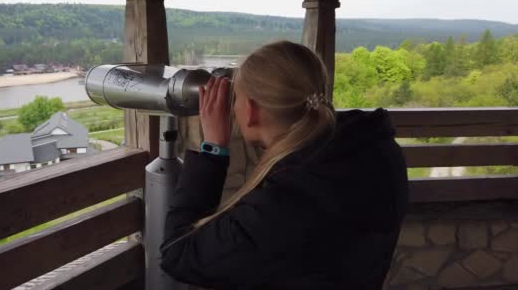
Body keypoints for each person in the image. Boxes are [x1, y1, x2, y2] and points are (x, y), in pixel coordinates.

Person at [160, 41, 408, 289]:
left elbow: (178, 253)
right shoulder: (373, 150)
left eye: (238, 98)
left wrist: (212, 149)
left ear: (251, 111)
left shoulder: (288, 200)